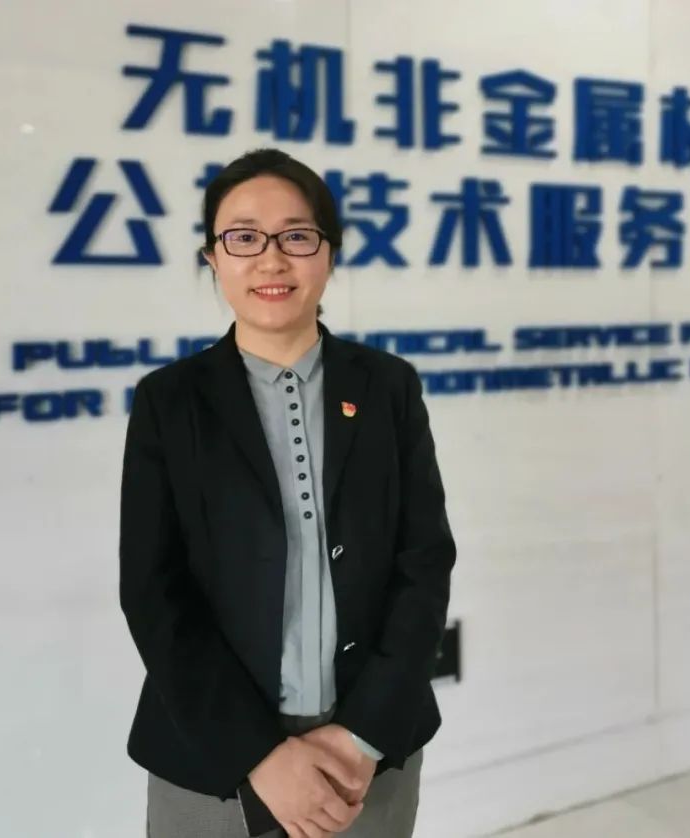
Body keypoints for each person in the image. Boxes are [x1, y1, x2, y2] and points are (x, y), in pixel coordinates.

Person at [119, 147, 456, 838]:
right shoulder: (169, 402)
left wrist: (361, 735)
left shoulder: (388, 387)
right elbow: (153, 592)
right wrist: (260, 756)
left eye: (297, 236)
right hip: (210, 755)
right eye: (243, 237)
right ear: (213, 257)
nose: (271, 260)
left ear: (329, 253)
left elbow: (424, 564)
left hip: (367, 757)